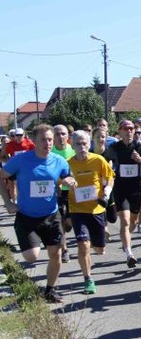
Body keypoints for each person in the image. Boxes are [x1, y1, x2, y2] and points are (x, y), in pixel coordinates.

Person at [0, 124, 75, 303]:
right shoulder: (21, 160)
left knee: (56, 254)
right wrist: (8, 202)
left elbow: (66, 176)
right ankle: (29, 240)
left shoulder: (59, 161)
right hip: (27, 216)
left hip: (51, 214)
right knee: (31, 257)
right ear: (34, 141)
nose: (48, 143)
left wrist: (69, 180)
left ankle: (50, 290)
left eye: (50, 139)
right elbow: (1, 175)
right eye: (44, 139)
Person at [67, 130, 115, 294]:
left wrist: (107, 193)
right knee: (83, 245)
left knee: (99, 250)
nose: (82, 147)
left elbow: (110, 177)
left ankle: (100, 240)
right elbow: (59, 183)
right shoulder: (68, 163)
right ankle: (88, 279)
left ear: (90, 144)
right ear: (72, 145)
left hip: (97, 209)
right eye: (78, 144)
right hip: (77, 210)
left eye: (85, 143)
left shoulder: (98, 160)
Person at [106, 120, 141, 268]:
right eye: (125, 129)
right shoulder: (114, 147)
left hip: (136, 188)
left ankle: (126, 239)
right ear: (119, 132)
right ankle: (129, 254)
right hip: (120, 187)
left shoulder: (139, 147)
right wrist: (109, 170)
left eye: (132, 128)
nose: (129, 131)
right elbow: (105, 162)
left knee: (132, 221)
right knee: (125, 222)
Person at [51, 125, 76, 264]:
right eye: (58, 134)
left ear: (68, 136)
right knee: (60, 221)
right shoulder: (50, 152)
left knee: (68, 224)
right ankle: (65, 250)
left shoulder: (73, 151)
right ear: (53, 137)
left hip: (72, 191)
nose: (61, 137)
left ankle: (68, 224)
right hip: (57, 191)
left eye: (63, 134)